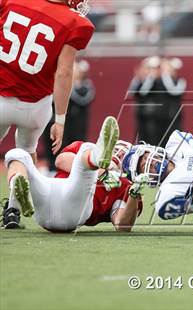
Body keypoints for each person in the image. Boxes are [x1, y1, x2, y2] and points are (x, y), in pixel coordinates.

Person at [1, 117, 144, 232]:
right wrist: (101, 172)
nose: (117, 156)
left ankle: (96, 158)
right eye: (114, 150)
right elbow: (60, 160)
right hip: (47, 197)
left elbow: (122, 225)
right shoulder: (84, 149)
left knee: (86, 151)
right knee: (17, 154)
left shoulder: (126, 187)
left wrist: (133, 195)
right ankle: (17, 192)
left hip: (74, 212)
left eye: (122, 155)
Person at [0, 0, 95, 162]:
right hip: (35, 108)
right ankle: (24, 183)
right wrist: (60, 120)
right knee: (26, 152)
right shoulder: (75, 21)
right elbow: (63, 73)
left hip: (1, 95)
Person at [129, 57, 186, 146]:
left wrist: (165, 75)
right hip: (148, 118)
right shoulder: (151, 82)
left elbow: (174, 91)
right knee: (148, 141)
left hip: (172, 118)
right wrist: (146, 76)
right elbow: (140, 92)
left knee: (171, 141)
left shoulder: (180, 81)